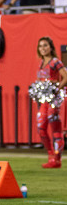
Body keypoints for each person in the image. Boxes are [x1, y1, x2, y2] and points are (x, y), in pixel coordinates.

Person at [35, 36, 67, 168]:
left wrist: (56, 88)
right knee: (41, 127)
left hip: (53, 100)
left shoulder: (55, 62)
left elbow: (65, 77)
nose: (43, 48)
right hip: (44, 100)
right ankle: (50, 155)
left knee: (55, 129)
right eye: (40, 46)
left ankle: (57, 160)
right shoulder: (41, 63)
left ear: (51, 47)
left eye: (45, 45)